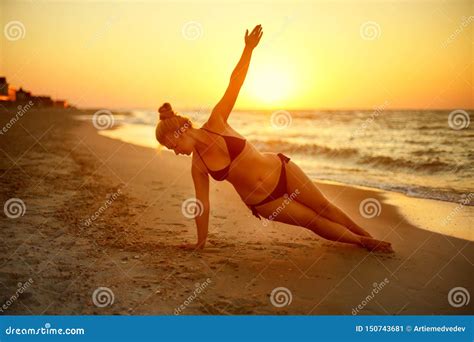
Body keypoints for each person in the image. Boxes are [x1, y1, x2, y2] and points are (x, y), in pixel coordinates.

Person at [155, 25, 393, 253]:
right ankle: (361, 242)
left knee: (324, 207)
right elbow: (203, 204)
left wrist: (248, 49)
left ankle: (369, 237)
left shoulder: (217, 121)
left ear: (180, 132)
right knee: (312, 220)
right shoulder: (198, 166)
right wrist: (201, 242)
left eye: (171, 145)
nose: (174, 151)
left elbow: (235, 83)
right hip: (264, 201)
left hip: (281, 170)